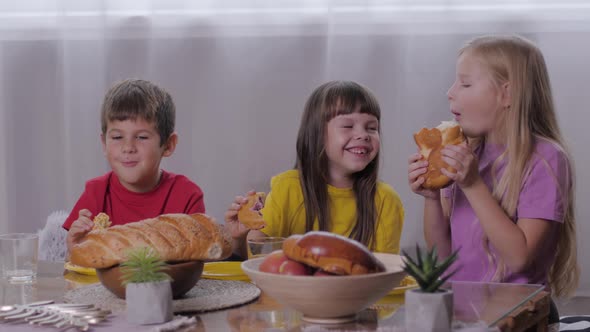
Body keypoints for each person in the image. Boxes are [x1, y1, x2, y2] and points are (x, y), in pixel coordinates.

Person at [407, 35, 579, 323]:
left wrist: (472, 185)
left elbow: (519, 257)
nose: (450, 92)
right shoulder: (465, 151)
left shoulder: (546, 159)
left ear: (507, 94)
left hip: (521, 315)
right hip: (466, 312)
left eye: (465, 83)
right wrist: (432, 198)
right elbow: (443, 256)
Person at [226, 81, 404, 259]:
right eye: (348, 126)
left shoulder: (386, 200)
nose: (363, 135)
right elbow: (255, 261)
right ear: (317, 133)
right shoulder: (286, 188)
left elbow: (386, 273)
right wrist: (238, 239)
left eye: (372, 128)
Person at [63, 79, 205, 252]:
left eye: (142, 137)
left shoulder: (187, 196)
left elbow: (200, 258)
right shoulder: (95, 192)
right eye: (117, 137)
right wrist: (75, 248)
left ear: (168, 145)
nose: (128, 148)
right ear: (104, 143)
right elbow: (76, 263)